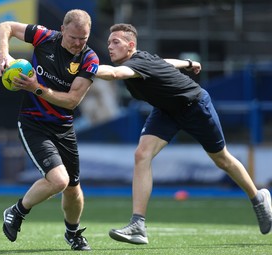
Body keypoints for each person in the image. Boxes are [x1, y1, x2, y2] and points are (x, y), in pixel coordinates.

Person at [95, 23, 272, 245]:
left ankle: (258, 198)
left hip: (195, 106)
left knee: (222, 159)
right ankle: (138, 225)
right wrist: (188, 63)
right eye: (109, 42)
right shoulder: (143, 59)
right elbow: (164, 63)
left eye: (116, 42)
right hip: (166, 111)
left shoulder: (134, 63)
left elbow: (113, 74)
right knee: (142, 155)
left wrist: (84, 67)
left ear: (131, 46)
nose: (110, 46)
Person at [0, 9, 99, 251]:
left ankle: (72, 234)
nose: (78, 44)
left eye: (83, 38)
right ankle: (16, 212)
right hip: (33, 123)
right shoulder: (44, 37)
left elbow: (72, 101)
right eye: (73, 37)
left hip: (63, 127)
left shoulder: (89, 59)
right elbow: (5, 26)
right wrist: (4, 55)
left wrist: (36, 88)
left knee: (73, 188)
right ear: (62, 30)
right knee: (59, 180)